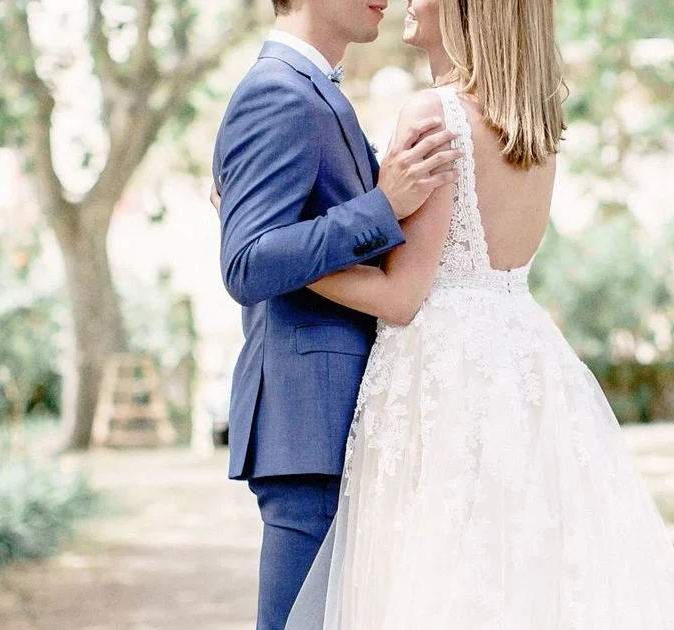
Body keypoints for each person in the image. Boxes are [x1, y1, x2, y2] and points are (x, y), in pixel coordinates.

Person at [280, 0, 674, 627]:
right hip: (524, 364)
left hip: (443, 375)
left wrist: (284, 253)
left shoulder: (435, 115)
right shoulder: (533, 128)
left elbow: (401, 297)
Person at [209, 0, 460, 626]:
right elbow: (247, 264)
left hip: (339, 419)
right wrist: (382, 206)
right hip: (310, 425)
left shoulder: (315, 91)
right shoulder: (277, 92)